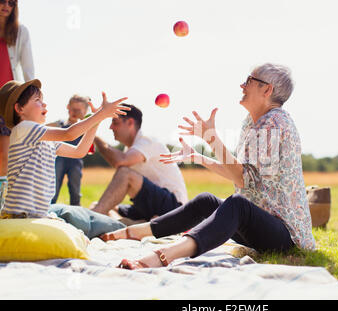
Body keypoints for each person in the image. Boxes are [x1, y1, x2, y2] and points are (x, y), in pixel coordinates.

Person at [100, 63, 316, 270]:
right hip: (259, 227)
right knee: (207, 201)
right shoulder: (252, 122)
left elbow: (242, 179)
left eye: (250, 80)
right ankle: (134, 232)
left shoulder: (274, 123)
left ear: (267, 89)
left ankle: (162, 257)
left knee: (237, 205)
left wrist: (212, 139)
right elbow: (241, 175)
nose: (243, 85)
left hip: (286, 237)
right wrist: (200, 157)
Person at [0, 79, 129, 219]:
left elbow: (79, 151)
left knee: (90, 224)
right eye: (37, 100)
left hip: (37, 215)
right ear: (19, 109)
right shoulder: (23, 129)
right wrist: (101, 114)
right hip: (19, 215)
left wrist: (96, 121)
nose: (44, 103)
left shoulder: (45, 139)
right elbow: (69, 134)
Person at [91, 104, 188, 224]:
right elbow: (116, 161)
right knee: (97, 205)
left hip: (173, 206)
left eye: (115, 122)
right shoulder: (131, 149)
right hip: (148, 206)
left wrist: (94, 135)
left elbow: (119, 161)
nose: (111, 127)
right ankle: (137, 225)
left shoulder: (147, 141)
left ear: (130, 123)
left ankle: (93, 219)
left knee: (124, 173)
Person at [0, 0, 34, 183]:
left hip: (7, 100)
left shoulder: (21, 32)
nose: (6, 6)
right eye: (2, 2)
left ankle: (2, 200)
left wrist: (33, 96)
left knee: (5, 153)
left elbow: (28, 67)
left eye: (11, 3)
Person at [48, 94, 91, 206]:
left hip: (76, 162)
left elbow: (90, 144)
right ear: (68, 107)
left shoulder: (85, 127)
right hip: (59, 159)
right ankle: (49, 206)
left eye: (78, 110)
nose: (74, 112)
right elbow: (44, 129)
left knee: (75, 189)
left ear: (85, 111)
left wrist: (84, 120)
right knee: (54, 187)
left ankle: (76, 209)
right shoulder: (59, 124)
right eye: (73, 109)